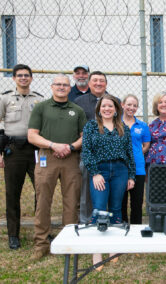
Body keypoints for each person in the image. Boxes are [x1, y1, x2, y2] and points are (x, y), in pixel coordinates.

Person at [28, 74, 87, 260]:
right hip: (48, 157)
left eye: (65, 85)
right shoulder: (41, 107)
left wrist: (69, 147)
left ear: (70, 89)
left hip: (71, 158)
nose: (62, 87)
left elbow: (84, 136)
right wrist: (53, 145)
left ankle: (67, 242)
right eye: (58, 84)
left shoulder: (77, 110)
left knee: (71, 202)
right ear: (52, 87)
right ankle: (41, 244)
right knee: (43, 201)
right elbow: (32, 135)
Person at [0, 64, 44, 250]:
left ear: (31, 78)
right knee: (12, 194)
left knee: (41, 191)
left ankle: (42, 230)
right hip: (14, 151)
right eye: (19, 75)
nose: (23, 78)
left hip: (36, 151)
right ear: (14, 78)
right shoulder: (5, 99)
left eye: (26, 75)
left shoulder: (39, 100)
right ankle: (13, 235)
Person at [82, 94, 136, 269]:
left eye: (110, 106)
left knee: (115, 209)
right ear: (99, 109)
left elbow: (130, 154)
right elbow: (87, 151)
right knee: (99, 209)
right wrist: (95, 173)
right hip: (101, 171)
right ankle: (96, 252)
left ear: (116, 109)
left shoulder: (123, 128)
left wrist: (131, 176)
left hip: (120, 171)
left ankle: (113, 248)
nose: (107, 109)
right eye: (103, 106)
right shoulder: (91, 126)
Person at [74, 71, 111, 224]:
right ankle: (86, 221)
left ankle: (105, 221)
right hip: (88, 153)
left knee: (108, 188)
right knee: (86, 191)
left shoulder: (113, 101)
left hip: (109, 154)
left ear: (106, 84)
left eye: (101, 81)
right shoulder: (79, 102)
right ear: (89, 84)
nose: (98, 83)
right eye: (94, 80)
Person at [121, 94, 151, 224]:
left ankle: (136, 230)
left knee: (137, 203)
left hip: (138, 167)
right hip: (120, 167)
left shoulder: (142, 125)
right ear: (122, 105)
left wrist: (136, 154)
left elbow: (146, 145)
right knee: (120, 202)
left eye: (134, 105)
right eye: (129, 104)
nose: (131, 108)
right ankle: (122, 228)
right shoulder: (116, 123)